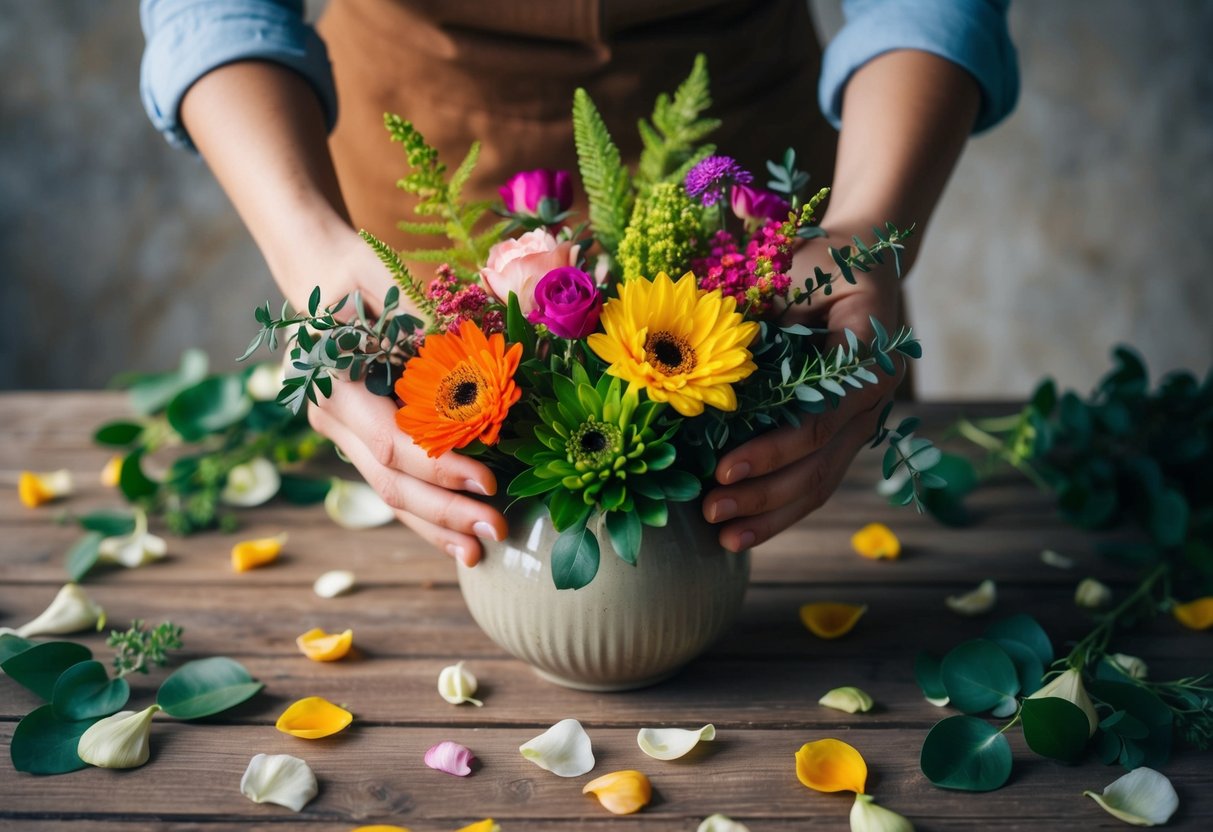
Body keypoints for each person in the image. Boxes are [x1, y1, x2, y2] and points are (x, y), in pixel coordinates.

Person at [139, 0, 1018, 565]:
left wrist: (868, 227)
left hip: (746, 203)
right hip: (413, 190)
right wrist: (310, 248)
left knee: (801, 510)